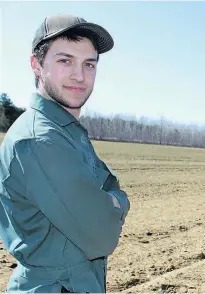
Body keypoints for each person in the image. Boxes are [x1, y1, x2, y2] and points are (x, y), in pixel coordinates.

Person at [0, 14, 130, 293]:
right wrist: (117, 202)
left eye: (89, 64)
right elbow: (102, 235)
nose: (79, 75)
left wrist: (110, 200)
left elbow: (108, 189)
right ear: (36, 65)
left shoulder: (66, 132)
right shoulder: (40, 139)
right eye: (64, 61)